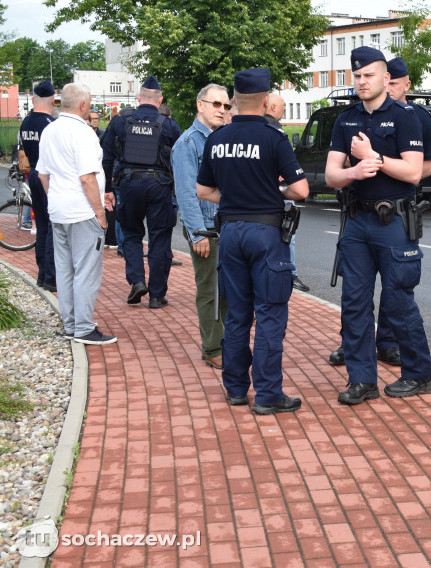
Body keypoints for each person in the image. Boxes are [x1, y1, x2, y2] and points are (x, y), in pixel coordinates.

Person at [325, 47, 431, 405]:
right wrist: (353, 173)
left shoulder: (406, 117)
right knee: (354, 302)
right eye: (356, 76)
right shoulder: (346, 120)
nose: (360, 81)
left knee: (398, 301)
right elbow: (331, 175)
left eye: (368, 75)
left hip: (395, 222)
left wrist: (373, 158)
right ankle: (362, 380)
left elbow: (415, 172)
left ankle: (420, 374)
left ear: (386, 78)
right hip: (357, 221)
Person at [196, 68, 309, 414]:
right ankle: (268, 395)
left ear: (235, 101)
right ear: (264, 101)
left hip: (230, 232)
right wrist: (271, 191)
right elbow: (301, 190)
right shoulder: (274, 139)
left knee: (237, 315)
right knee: (271, 314)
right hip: (265, 232)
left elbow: (202, 190)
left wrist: (234, 198)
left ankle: (234, 389)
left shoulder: (216, 138)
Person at [35, 84, 116, 345]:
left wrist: (56, 199)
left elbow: (42, 175)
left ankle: (71, 324)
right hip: (82, 213)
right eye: (90, 103)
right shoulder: (83, 132)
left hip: (58, 211)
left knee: (65, 270)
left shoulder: (50, 129)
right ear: (82, 105)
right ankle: (83, 327)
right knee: (86, 271)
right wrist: (99, 213)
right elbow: (87, 177)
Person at [102, 76, 182, 308]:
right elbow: (179, 158)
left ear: (139, 98)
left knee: (132, 235)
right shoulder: (168, 124)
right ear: (160, 100)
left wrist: (108, 189)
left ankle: (137, 281)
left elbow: (106, 157)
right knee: (159, 239)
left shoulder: (120, 121)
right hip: (159, 186)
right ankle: (157, 295)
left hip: (128, 184)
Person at [171, 83, 229, 370]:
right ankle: (213, 348)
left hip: (227, 224)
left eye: (226, 106)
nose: (222, 110)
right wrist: (197, 234)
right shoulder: (188, 143)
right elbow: (186, 193)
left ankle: (227, 342)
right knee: (209, 290)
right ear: (200, 105)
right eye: (216, 104)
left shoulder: (224, 139)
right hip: (205, 226)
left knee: (229, 289)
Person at [266, 93, 310, 292]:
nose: (284, 109)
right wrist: (282, 189)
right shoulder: (274, 132)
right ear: (272, 107)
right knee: (286, 237)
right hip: (274, 200)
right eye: (283, 106)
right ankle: (289, 275)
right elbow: (300, 189)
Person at [17, 81, 57, 292]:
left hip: (32, 173)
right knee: (52, 226)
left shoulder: (26, 122)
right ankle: (51, 275)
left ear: (33, 100)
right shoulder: (50, 123)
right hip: (48, 176)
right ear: (52, 100)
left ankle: (42, 273)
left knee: (41, 225)